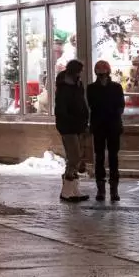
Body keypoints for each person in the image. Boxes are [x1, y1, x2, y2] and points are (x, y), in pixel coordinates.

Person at [87, 59, 125, 201]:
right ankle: (101, 189)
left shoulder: (116, 87)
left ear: (108, 73)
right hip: (99, 126)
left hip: (113, 125)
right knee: (99, 158)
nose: (102, 77)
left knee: (113, 157)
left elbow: (121, 105)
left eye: (104, 74)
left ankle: (114, 189)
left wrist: (112, 114)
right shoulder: (91, 88)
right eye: (100, 75)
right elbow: (90, 105)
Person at [53, 58, 89, 202]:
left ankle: (73, 189)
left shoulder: (77, 85)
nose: (81, 74)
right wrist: (73, 120)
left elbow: (81, 103)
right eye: (79, 71)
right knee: (74, 157)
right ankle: (67, 190)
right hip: (68, 127)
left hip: (78, 125)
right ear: (75, 71)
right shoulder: (64, 88)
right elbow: (62, 109)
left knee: (76, 157)